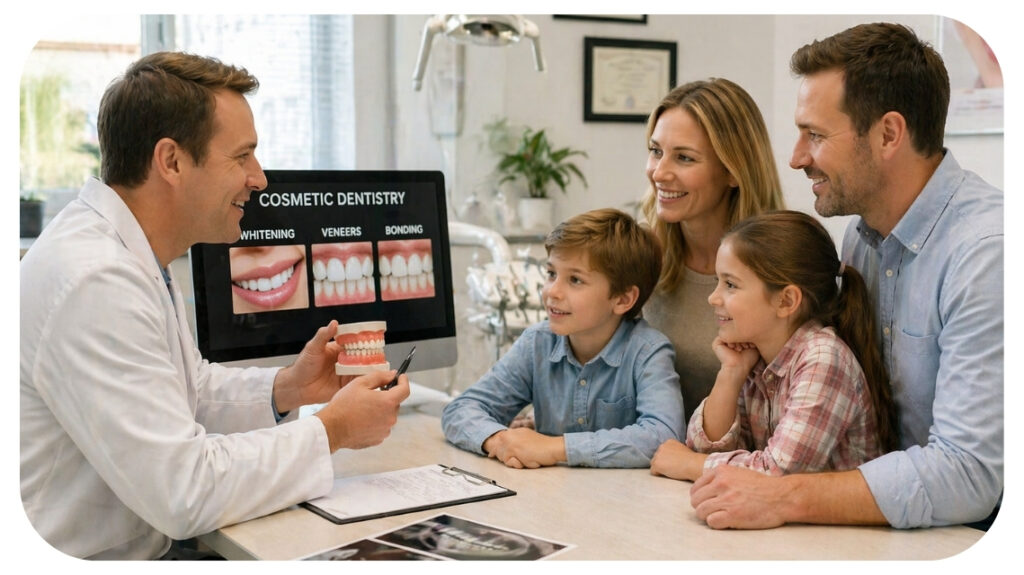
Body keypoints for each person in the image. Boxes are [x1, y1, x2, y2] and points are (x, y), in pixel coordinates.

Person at [19, 52, 411, 559]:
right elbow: (185, 491)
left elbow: (188, 389)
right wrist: (331, 430)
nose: (260, 178)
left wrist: (288, 387)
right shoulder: (96, 281)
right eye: (241, 156)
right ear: (172, 161)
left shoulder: (128, 253)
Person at [689, 22, 1002, 530]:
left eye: (814, 135)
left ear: (888, 134)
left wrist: (781, 496)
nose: (795, 158)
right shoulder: (861, 236)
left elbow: (967, 477)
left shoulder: (987, 255)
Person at [650, 210, 898, 481]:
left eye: (730, 285)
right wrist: (731, 373)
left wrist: (689, 465)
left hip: (839, 524)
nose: (713, 298)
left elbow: (778, 472)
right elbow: (703, 446)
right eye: (717, 282)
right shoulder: (755, 354)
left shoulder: (823, 358)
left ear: (786, 301)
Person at [441, 208, 684, 468]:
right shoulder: (537, 342)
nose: (552, 292)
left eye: (575, 280)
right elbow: (461, 409)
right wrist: (500, 440)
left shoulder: (648, 351)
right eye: (551, 274)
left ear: (623, 299)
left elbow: (664, 436)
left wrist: (554, 448)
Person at [640, 78, 785, 423]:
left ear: (733, 171)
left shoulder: (782, 269)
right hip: (648, 461)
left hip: (742, 468)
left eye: (685, 158)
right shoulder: (643, 255)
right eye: (656, 150)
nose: (660, 173)